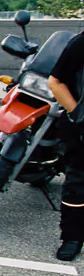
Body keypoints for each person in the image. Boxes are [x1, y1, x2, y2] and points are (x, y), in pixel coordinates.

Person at [47, 38, 84, 261]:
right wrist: (79, 117)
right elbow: (55, 82)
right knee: (78, 182)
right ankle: (72, 237)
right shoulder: (80, 44)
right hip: (81, 126)